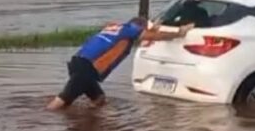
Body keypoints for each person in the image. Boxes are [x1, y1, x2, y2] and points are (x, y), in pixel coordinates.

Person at [47, 17, 194, 110]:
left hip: (78, 62)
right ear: (139, 27)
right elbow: (153, 36)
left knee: (99, 99)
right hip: (88, 68)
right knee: (60, 102)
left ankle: (85, 120)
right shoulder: (130, 30)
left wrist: (151, 28)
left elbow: (142, 34)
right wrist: (179, 33)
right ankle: (47, 123)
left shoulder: (116, 28)